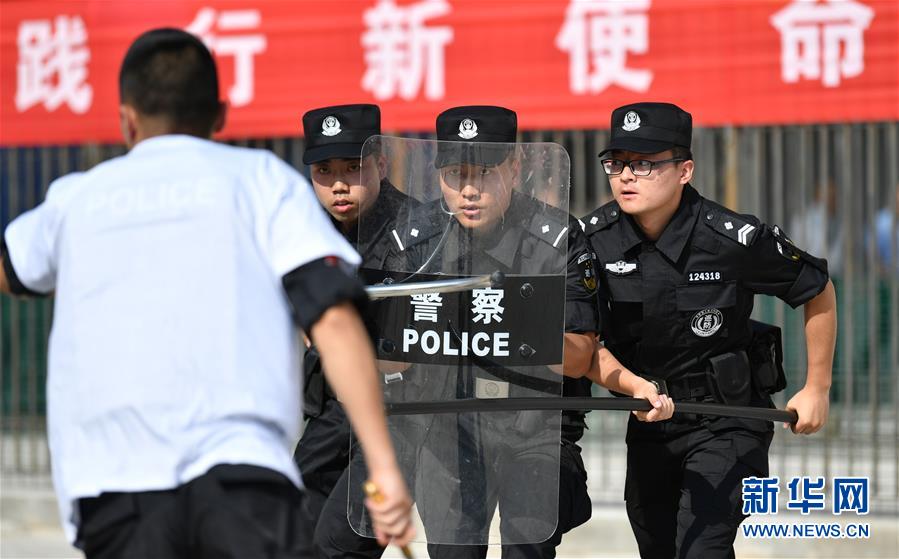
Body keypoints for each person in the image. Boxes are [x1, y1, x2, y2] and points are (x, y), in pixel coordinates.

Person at [0, 28, 413, 559]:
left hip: (113, 487)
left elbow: (14, 269)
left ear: (126, 119)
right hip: (242, 484)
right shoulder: (262, 183)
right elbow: (333, 319)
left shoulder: (77, 200)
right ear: (220, 114)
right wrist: (383, 466)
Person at [313, 105, 672, 558]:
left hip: (533, 428)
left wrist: (500, 318)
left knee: (526, 544)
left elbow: (580, 355)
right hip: (444, 427)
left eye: (484, 173)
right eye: (454, 175)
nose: (468, 190)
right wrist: (361, 335)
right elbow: (392, 357)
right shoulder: (415, 239)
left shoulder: (555, 239)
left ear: (514, 169)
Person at [582, 102, 837, 558]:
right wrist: (633, 386)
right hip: (650, 421)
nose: (626, 176)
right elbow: (582, 339)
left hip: (728, 419)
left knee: (702, 548)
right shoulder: (594, 242)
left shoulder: (730, 240)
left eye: (644, 164)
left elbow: (816, 288)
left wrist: (817, 387)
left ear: (685, 170)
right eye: (616, 163)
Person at [294, 103, 418, 540]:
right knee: (294, 531)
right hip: (332, 411)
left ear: (381, 165)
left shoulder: (419, 231)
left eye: (353, 167)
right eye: (324, 171)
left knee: (339, 545)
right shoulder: (309, 232)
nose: (339, 184)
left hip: (403, 415)